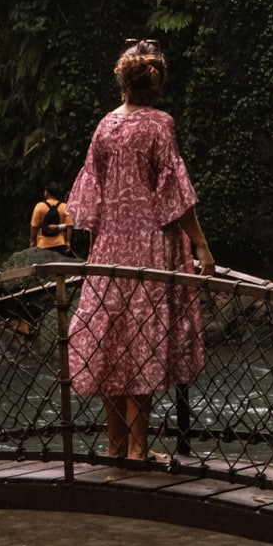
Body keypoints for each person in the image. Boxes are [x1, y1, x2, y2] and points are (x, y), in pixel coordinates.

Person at [66, 40, 215, 464]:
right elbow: (174, 195)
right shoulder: (160, 125)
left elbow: (91, 200)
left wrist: (95, 257)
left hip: (109, 250)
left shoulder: (105, 126)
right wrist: (201, 245)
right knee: (141, 344)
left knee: (112, 345)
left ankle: (115, 447)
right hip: (150, 248)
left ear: (122, 82)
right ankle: (137, 448)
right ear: (156, 83)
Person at [29, 182, 71, 254]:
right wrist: (68, 242)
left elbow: (34, 227)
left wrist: (32, 241)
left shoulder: (39, 206)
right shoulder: (64, 207)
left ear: (47, 193)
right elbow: (69, 227)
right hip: (60, 243)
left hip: (43, 244)